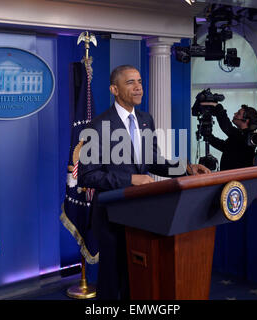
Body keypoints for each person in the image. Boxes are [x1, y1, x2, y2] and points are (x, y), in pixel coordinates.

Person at [78, 65, 210, 299]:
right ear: (114, 89)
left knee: (136, 276)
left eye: (139, 81)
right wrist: (131, 179)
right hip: (112, 214)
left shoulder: (145, 119)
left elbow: (153, 160)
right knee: (112, 280)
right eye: (130, 82)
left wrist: (186, 168)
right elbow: (87, 176)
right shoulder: (97, 126)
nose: (138, 87)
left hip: (141, 213)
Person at [205, 103, 257, 170]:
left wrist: (218, 107)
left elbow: (227, 128)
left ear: (246, 120)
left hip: (238, 178)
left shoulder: (247, 137)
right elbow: (225, 147)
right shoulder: (239, 135)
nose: (235, 114)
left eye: (238, 113)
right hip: (229, 177)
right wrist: (209, 137)